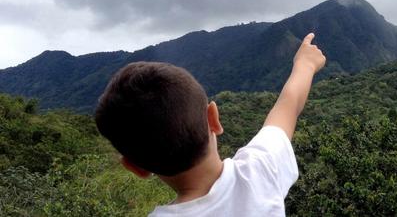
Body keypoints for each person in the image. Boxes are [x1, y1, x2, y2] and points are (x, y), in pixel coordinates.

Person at [95, 32, 326, 216]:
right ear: (214, 118)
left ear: (135, 167)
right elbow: (288, 107)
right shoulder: (259, 173)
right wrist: (305, 64)